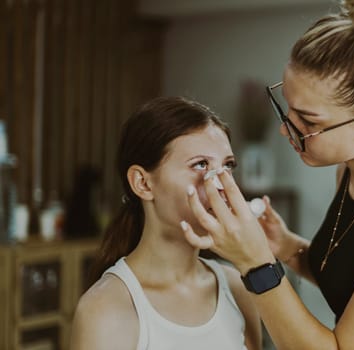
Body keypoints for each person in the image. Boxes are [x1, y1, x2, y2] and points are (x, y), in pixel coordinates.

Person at [181, 0, 354, 349]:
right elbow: (353, 276)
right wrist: (286, 246)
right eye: (287, 107)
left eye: (309, 121)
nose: (288, 131)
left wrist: (254, 262)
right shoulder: (351, 172)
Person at [70, 97, 262, 350]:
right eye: (201, 165)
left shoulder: (238, 287)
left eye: (228, 166)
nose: (223, 186)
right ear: (143, 183)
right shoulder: (105, 310)